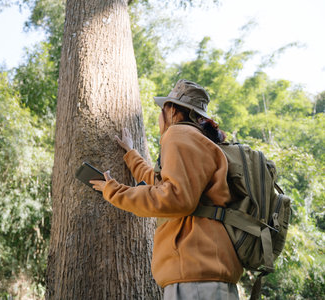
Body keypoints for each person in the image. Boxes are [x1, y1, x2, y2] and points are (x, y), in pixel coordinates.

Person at [90, 79, 243, 300]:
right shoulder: (200, 141)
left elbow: (176, 198)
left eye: (162, 110)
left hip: (194, 276)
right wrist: (131, 154)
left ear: (171, 111)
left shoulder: (178, 134)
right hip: (210, 270)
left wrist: (115, 191)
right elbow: (161, 182)